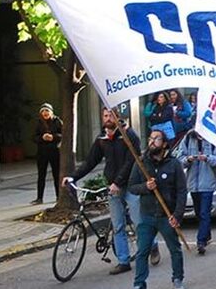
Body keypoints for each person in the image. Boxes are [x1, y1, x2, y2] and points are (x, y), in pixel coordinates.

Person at [64, 107, 157, 274]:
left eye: (111, 115)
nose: (107, 119)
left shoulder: (129, 135)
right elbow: (90, 161)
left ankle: (153, 245)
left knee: (139, 222)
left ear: (117, 117)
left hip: (131, 185)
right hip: (113, 187)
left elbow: (131, 162)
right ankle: (123, 261)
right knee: (118, 225)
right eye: (105, 116)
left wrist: (118, 182)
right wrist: (73, 177)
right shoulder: (102, 138)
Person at [123, 129, 186, 289]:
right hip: (147, 215)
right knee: (142, 251)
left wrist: (177, 215)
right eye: (150, 138)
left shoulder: (174, 164)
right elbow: (132, 187)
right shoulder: (141, 163)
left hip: (167, 214)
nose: (152, 142)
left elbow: (181, 191)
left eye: (156, 139)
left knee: (174, 248)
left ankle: (178, 278)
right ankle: (139, 286)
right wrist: (146, 187)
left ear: (164, 144)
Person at [179, 130, 216, 255]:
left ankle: (201, 241)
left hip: (208, 183)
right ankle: (206, 233)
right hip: (193, 184)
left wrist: (207, 158)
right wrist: (188, 160)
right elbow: (179, 159)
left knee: (205, 212)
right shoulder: (188, 138)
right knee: (199, 212)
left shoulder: (213, 139)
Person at [32, 103, 62, 205]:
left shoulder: (57, 121)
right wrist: (42, 138)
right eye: (43, 111)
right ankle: (39, 198)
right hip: (42, 152)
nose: (45, 113)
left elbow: (64, 134)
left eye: (47, 111)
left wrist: (53, 137)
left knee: (56, 174)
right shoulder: (38, 123)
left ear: (51, 112)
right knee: (41, 175)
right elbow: (34, 137)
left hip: (55, 151)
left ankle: (59, 196)